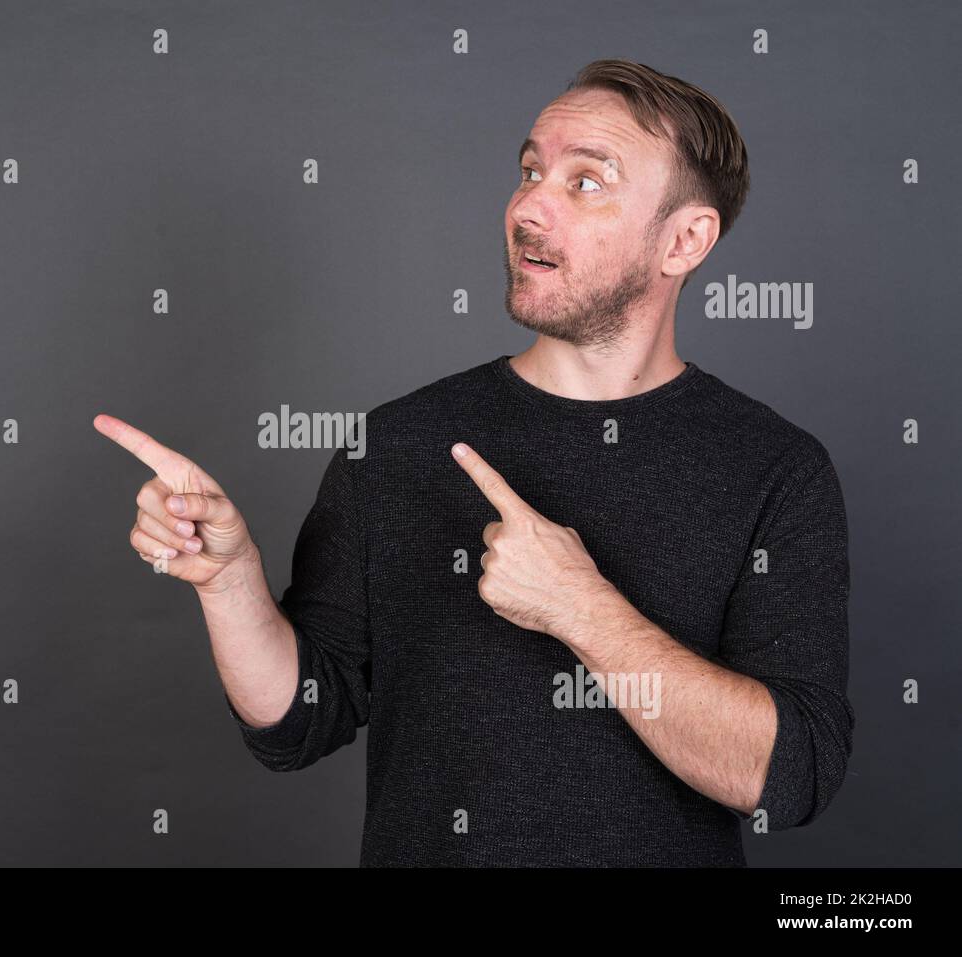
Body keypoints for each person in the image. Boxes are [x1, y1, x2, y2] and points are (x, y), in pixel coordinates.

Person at [95, 58, 853, 866]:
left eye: (586, 182)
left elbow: (793, 773)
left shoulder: (775, 468)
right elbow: (297, 722)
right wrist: (231, 579)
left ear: (684, 240)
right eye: (530, 170)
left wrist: (581, 609)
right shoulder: (395, 445)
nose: (529, 206)